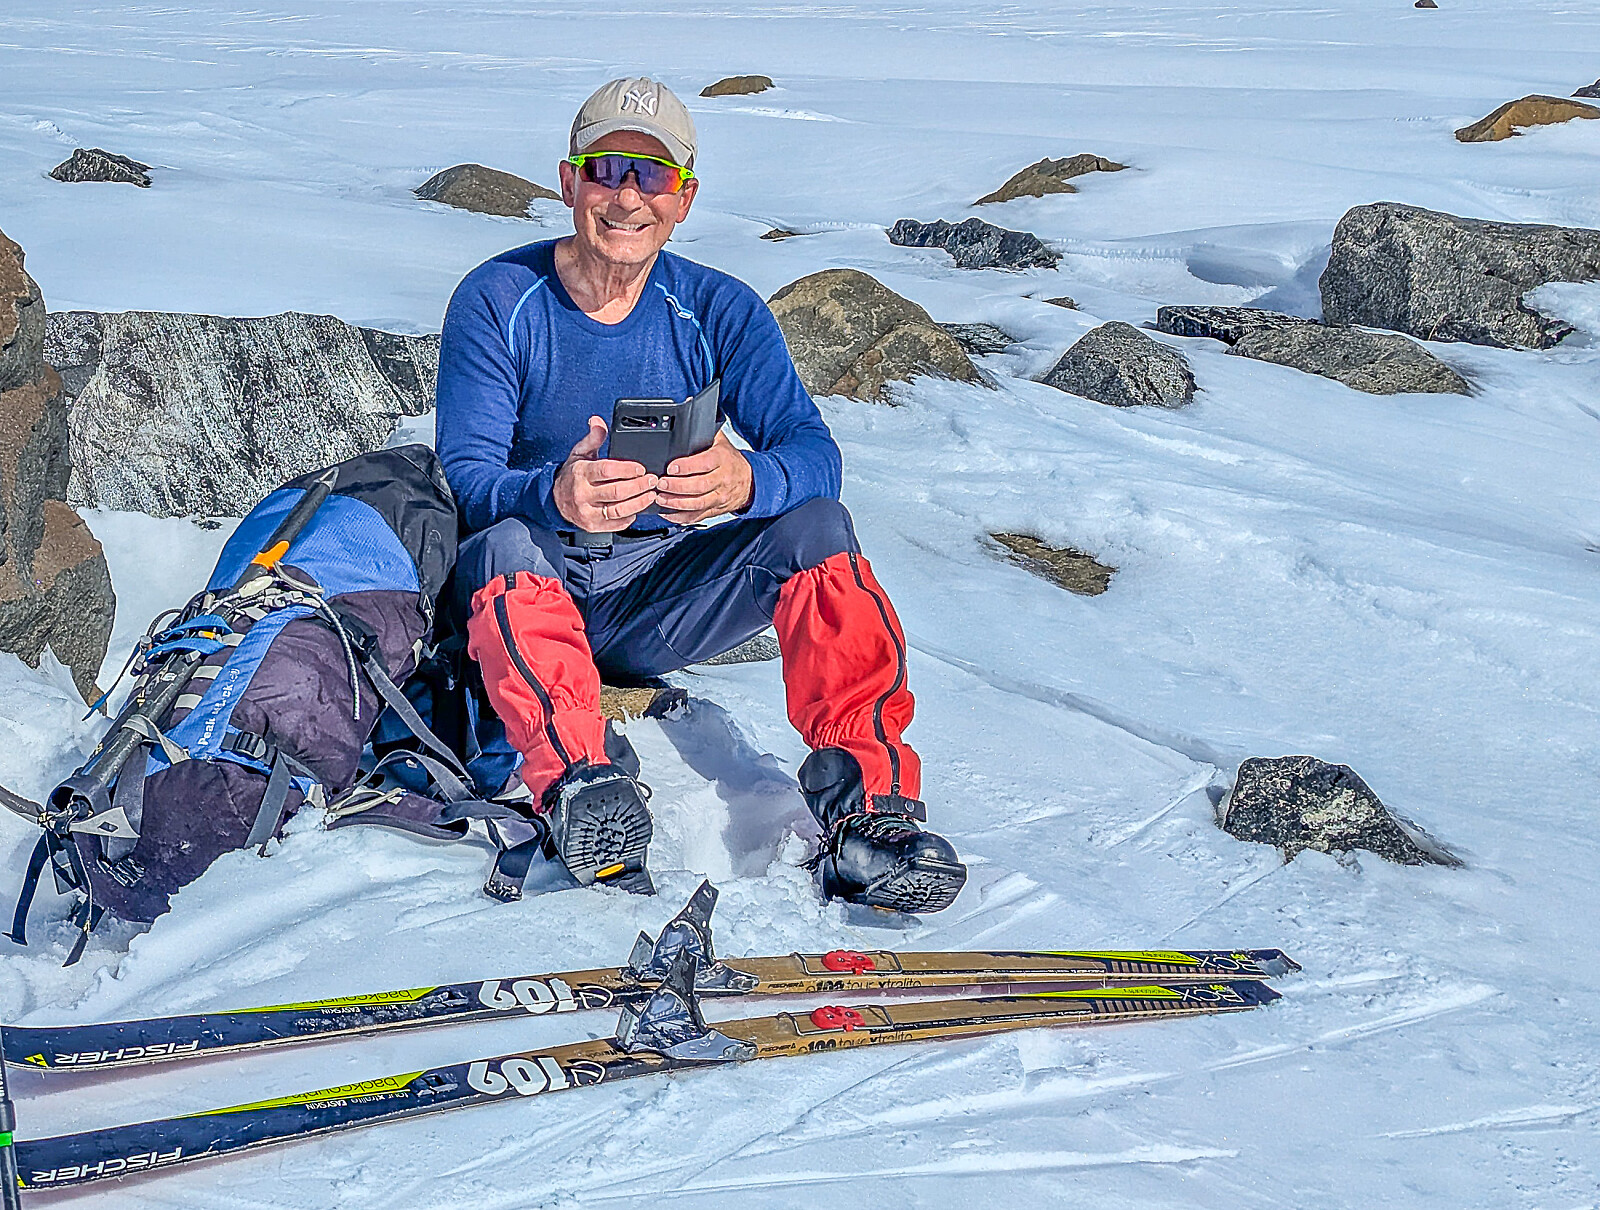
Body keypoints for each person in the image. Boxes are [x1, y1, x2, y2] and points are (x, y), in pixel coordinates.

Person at [434, 77, 966, 913]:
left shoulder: (718, 309)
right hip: (531, 582)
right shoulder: (500, 299)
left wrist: (747, 481)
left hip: (658, 595)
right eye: (606, 169)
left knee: (819, 529)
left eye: (653, 176)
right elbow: (464, 479)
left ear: (683, 199)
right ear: (568, 182)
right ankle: (580, 791)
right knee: (503, 539)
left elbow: (815, 458)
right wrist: (554, 494)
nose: (627, 197)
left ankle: (872, 816)